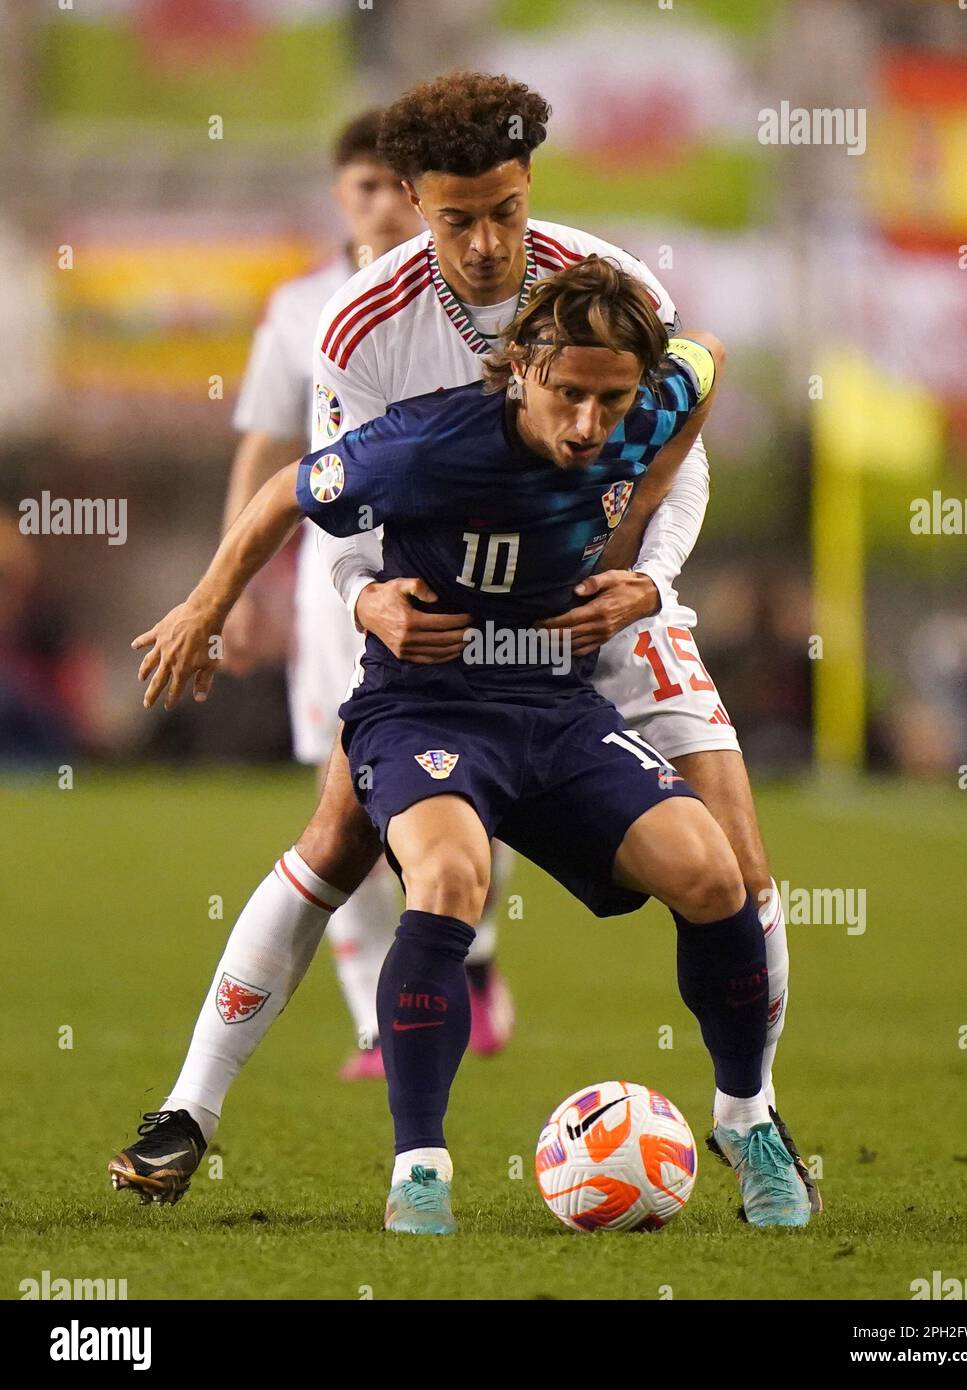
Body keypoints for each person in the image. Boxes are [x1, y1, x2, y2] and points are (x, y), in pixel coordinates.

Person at [109, 70, 811, 1217]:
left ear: (530, 188)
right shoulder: (359, 328)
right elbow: (325, 502)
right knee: (343, 837)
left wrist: (650, 576)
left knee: (732, 860)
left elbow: (681, 421)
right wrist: (355, 598)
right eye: (458, 218)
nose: (488, 243)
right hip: (430, 612)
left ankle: (752, 1117)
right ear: (412, 202)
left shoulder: (609, 288)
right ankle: (194, 1109)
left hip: (604, 595)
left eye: (507, 211)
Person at [226, 108, 513, 1078]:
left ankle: (474, 960)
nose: (385, 204)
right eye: (367, 188)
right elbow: (268, 449)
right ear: (340, 195)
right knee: (340, 800)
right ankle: (376, 1026)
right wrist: (230, 586)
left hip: (457, 572)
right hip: (335, 572)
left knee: (476, 771)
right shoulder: (303, 308)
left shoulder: (469, 298)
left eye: (400, 187)